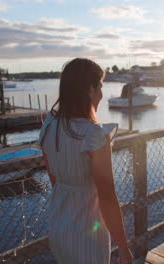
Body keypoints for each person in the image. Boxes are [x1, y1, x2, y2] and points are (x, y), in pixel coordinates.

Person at [38, 58, 133, 264]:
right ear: (89, 89)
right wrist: (124, 248)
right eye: (99, 86)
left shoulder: (49, 125)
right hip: (87, 233)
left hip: (59, 224)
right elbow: (107, 195)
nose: (101, 94)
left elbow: (53, 177)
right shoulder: (93, 135)